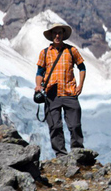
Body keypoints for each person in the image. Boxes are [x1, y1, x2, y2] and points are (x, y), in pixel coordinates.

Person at [35, 23, 86, 157]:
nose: (57, 36)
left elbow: (82, 67)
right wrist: (38, 86)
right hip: (51, 94)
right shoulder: (44, 53)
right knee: (55, 127)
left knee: (75, 126)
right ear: (51, 35)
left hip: (70, 92)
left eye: (60, 33)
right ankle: (61, 155)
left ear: (63, 35)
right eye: (55, 33)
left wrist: (81, 85)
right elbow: (39, 72)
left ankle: (77, 153)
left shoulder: (71, 50)